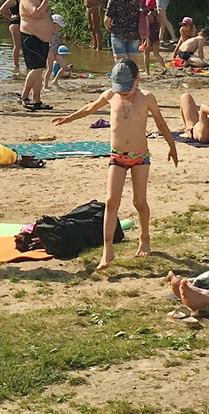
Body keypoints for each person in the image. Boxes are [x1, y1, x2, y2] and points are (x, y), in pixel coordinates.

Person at [52, 59, 178, 270]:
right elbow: (89, 108)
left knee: (139, 202)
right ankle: (107, 249)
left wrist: (172, 146)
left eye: (126, 89)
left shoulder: (147, 98)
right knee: (111, 202)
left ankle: (144, 237)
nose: (122, 93)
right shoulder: (110, 95)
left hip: (140, 157)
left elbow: (161, 123)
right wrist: (69, 118)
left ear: (137, 80)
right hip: (117, 156)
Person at [19, 0, 56, 110]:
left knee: (39, 70)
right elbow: (35, 13)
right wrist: (46, 0)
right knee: (37, 68)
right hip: (30, 36)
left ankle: (37, 100)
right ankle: (24, 96)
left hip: (43, 38)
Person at [104, 0, 142, 64]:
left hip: (118, 32)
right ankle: (134, 78)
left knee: (119, 61)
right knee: (133, 61)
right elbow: (144, 15)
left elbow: (107, 19)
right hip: (134, 32)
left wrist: (109, 29)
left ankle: (120, 78)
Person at [0, 0, 26, 69]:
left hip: (23, 22)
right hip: (15, 23)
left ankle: (26, 63)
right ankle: (16, 65)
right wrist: (10, 17)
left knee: (25, 44)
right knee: (17, 45)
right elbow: (2, 9)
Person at [141, 0, 166, 74]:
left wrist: (147, 39)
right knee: (156, 54)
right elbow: (161, 24)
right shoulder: (158, 15)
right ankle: (163, 67)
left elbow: (147, 28)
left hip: (149, 36)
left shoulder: (148, 16)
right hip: (156, 35)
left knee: (146, 54)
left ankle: (147, 71)